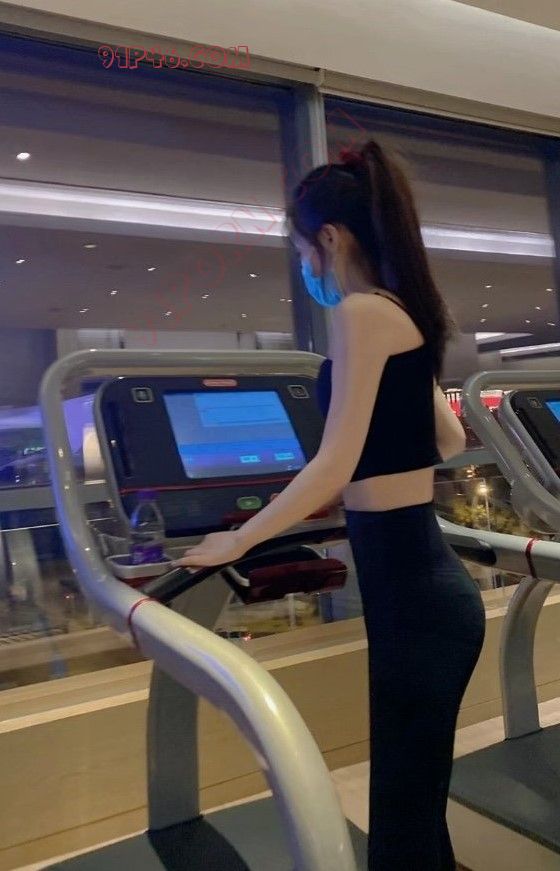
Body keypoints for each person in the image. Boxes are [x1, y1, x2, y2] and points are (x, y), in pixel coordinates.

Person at [175, 139, 486, 870]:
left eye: (303, 252)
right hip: (428, 592)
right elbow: (446, 437)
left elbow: (334, 465)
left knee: (402, 813)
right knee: (413, 804)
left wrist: (237, 540)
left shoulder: (360, 314)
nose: (306, 268)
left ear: (332, 239)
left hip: (415, 602)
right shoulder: (403, 311)